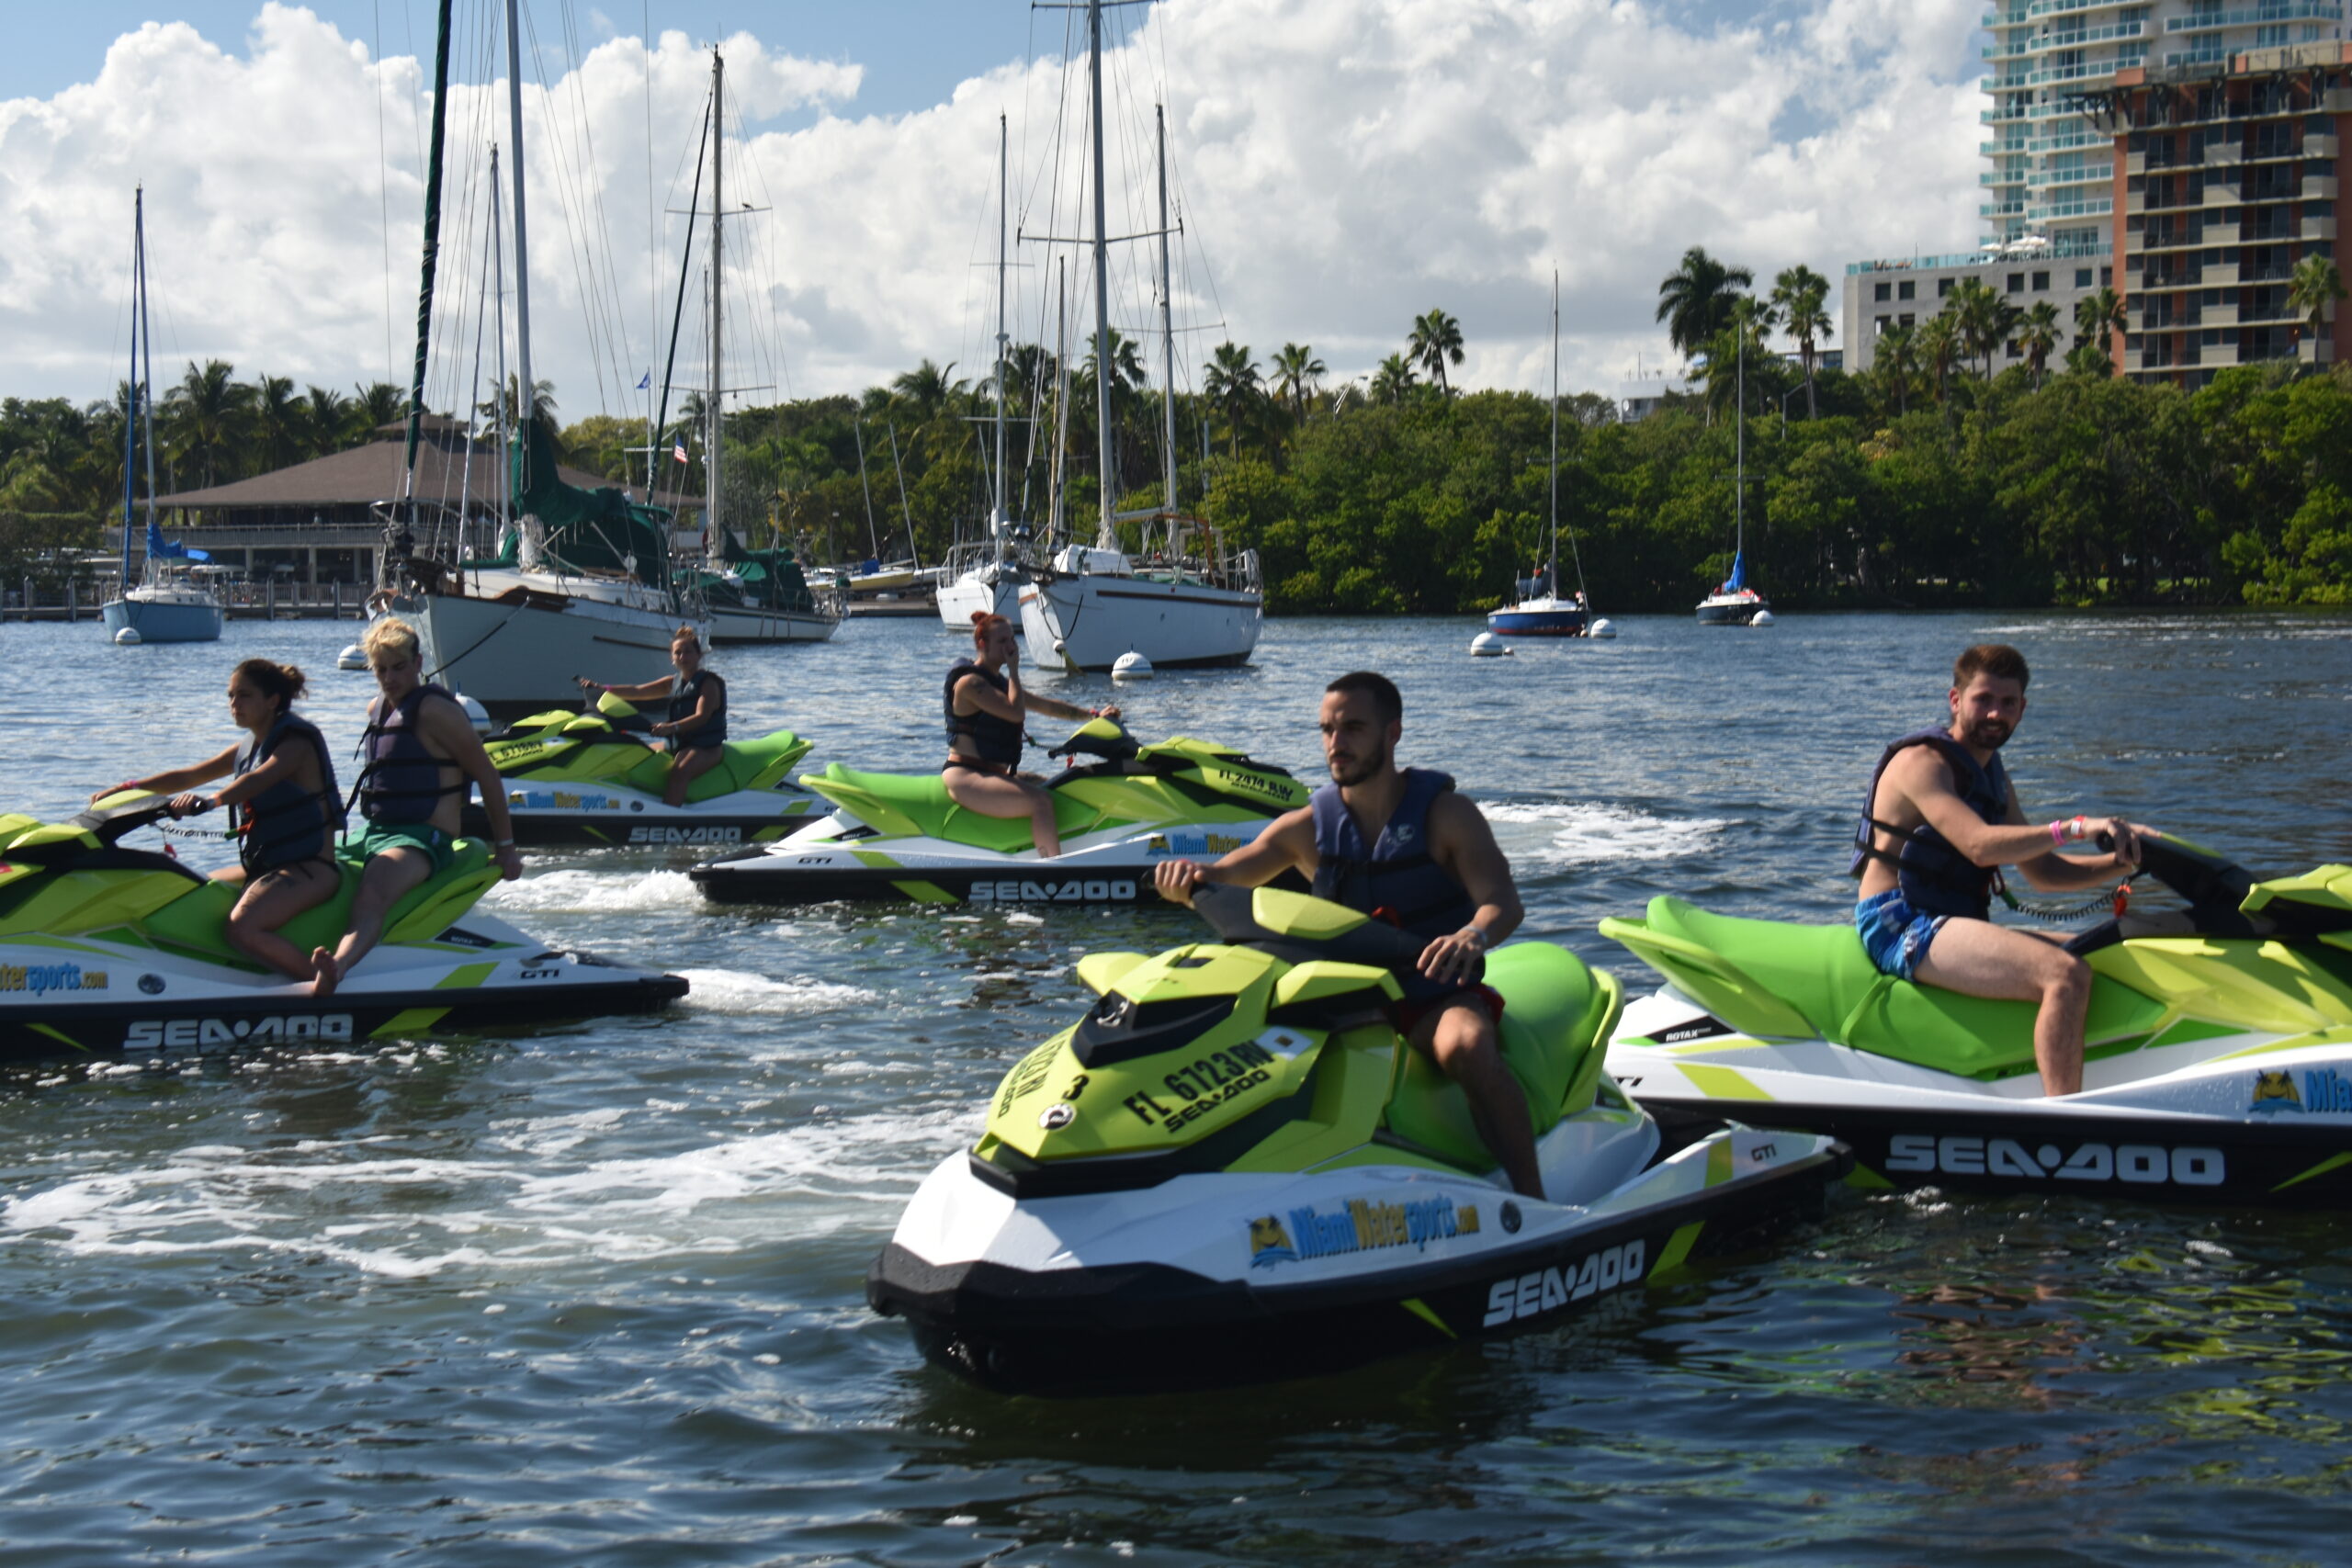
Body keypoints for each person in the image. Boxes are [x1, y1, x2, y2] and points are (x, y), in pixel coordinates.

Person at [1153, 671, 1542, 1198]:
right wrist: (1185, 880)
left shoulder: (1448, 816)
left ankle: (1533, 1196)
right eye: (1327, 730)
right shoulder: (1308, 827)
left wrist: (1473, 933)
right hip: (1342, 997)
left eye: (1353, 728)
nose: (1336, 743)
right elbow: (1226, 873)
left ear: (1392, 733)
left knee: (1467, 1046)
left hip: (1431, 993)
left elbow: (1503, 902)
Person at [1853, 643, 2145, 1096]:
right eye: (1983, 699)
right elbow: (1978, 845)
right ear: (1955, 700)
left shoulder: (1993, 775)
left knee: (2107, 951)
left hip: (1952, 921)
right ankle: (2066, 1116)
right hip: (1900, 922)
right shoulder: (1922, 763)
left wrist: (2125, 861)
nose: (1995, 713)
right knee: (2064, 974)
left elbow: (2043, 873)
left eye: (2008, 703)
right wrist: (2075, 827)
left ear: (2022, 709)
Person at [92, 659, 345, 982]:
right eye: (230, 696)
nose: (234, 704)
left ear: (272, 701)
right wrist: (126, 789)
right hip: (268, 866)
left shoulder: (297, 744)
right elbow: (189, 776)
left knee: (241, 927)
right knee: (189, 889)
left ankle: (320, 981)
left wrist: (211, 801)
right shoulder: (249, 746)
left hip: (312, 868)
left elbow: (259, 779)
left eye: (244, 695)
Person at [323, 619, 523, 996]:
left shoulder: (435, 711)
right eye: (381, 669)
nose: (389, 678)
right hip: (373, 833)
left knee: (373, 890)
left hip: (422, 839)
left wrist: (506, 848)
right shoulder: (376, 709)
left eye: (399, 667)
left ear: (417, 663)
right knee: (309, 867)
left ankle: (338, 967)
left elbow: (487, 775)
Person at [944, 611, 1116, 858]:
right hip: (967, 776)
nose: (1010, 646)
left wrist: (1093, 715)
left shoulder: (997, 682)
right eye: (1002, 641)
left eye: (1012, 639)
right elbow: (1016, 713)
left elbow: (1047, 706)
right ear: (982, 644)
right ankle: (1052, 867)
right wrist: (1015, 671)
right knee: (1040, 802)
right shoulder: (971, 683)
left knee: (1059, 786)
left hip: (995, 774)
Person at [574, 625, 729, 807]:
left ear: (699, 655)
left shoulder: (708, 684)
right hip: (679, 743)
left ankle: (669, 815)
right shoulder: (673, 682)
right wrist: (602, 689)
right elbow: (637, 691)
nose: (682, 657)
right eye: (678, 653)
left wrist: (671, 727)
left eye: (688, 652)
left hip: (706, 747)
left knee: (680, 771)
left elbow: (702, 716)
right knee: (637, 754)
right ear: (672, 658)